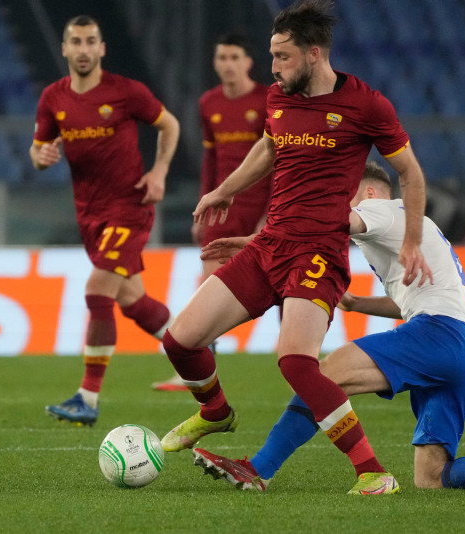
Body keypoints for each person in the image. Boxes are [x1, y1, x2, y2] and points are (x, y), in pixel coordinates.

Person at [158, 0, 431, 496]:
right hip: (270, 245)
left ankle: (373, 472)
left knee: (296, 362)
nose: (273, 68)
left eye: (282, 57)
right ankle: (215, 413)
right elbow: (267, 148)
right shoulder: (278, 98)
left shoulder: (367, 105)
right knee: (180, 340)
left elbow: (411, 173)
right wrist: (224, 190)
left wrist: (411, 240)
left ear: (313, 53)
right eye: (271, 56)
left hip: (319, 252)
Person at [193, 162, 465, 493]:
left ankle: (258, 469)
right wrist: (357, 304)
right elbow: (413, 300)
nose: (339, 203)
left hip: (440, 335)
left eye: (345, 194)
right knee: (431, 476)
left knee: (323, 374)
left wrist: (257, 242)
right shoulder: (404, 227)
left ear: (370, 192)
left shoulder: (386, 210)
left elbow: (331, 222)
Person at [29, 15, 180, 426]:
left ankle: (87, 398)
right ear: (64, 48)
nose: (82, 49)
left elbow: (170, 124)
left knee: (98, 291)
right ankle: (195, 348)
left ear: (102, 48)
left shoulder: (126, 92)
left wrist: (160, 171)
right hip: (90, 215)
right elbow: (39, 147)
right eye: (74, 41)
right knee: (132, 301)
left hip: (129, 209)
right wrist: (39, 157)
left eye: (90, 41)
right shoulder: (53, 98)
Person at [152, 32, 272, 392]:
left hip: (259, 203)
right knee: (208, 287)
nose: (228, 64)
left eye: (235, 57)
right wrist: (205, 201)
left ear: (249, 62)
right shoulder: (208, 103)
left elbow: (278, 160)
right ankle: (197, 370)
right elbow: (212, 158)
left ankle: (301, 361)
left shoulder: (268, 100)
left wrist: (272, 211)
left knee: (283, 280)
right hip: (221, 208)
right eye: (222, 58)